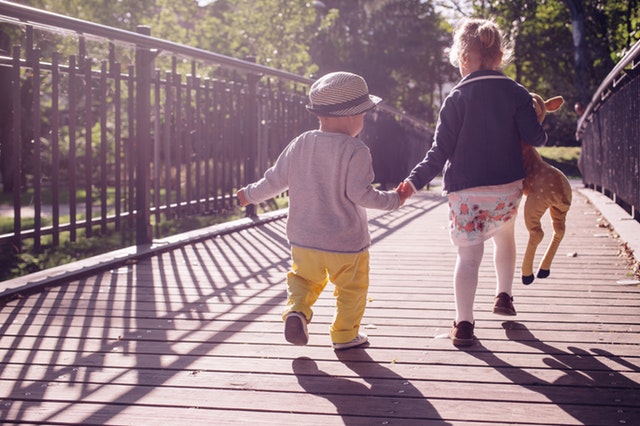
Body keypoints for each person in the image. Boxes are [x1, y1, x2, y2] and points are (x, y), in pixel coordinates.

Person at [397, 18, 548, 346]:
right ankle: (504, 296)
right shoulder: (517, 92)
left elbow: (439, 152)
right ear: (499, 56)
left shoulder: (456, 98)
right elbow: (536, 137)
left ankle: (464, 323)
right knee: (504, 237)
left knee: (468, 256)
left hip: (467, 192)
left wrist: (412, 183)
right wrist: (539, 117)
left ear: (464, 58)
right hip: (507, 188)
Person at [236, 71, 407, 350]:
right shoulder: (356, 150)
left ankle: (297, 311)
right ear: (352, 117)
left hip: (304, 239)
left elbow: (274, 181)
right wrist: (394, 200)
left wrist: (249, 195)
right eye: (363, 115)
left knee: (302, 280)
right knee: (351, 290)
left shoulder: (300, 143)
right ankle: (344, 335)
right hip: (346, 243)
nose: (363, 121)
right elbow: (361, 194)